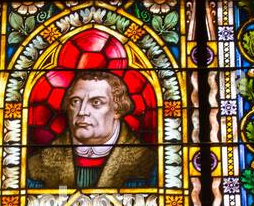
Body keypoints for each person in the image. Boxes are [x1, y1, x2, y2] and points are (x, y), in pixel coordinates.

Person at [26, 70, 156, 190]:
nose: (82, 112)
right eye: (75, 101)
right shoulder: (37, 166)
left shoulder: (148, 165)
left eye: (96, 102)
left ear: (117, 110)